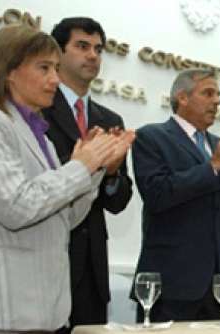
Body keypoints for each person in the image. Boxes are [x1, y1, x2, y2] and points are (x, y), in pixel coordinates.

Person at [0, 24, 128, 332]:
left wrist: (96, 168)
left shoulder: (40, 133)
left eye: (56, 68)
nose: (55, 79)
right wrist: (81, 166)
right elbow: (16, 207)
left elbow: (65, 218)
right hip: (8, 312)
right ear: (9, 70)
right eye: (44, 68)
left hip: (48, 312)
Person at [131, 68, 220, 321]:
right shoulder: (151, 137)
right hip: (172, 282)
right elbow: (157, 194)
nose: (217, 101)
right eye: (208, 93)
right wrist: (211, 168)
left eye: (218, 95)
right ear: (182, 98)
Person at [42, 17, 134, 329]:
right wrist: (88, 161)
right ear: (57, 52)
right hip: (45, 258)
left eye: (98, 49)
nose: (93, 55)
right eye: (82, 46)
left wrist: (111, 173)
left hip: (92, 265)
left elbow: (119, 200)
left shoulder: (110, 118)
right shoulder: (36, 108)